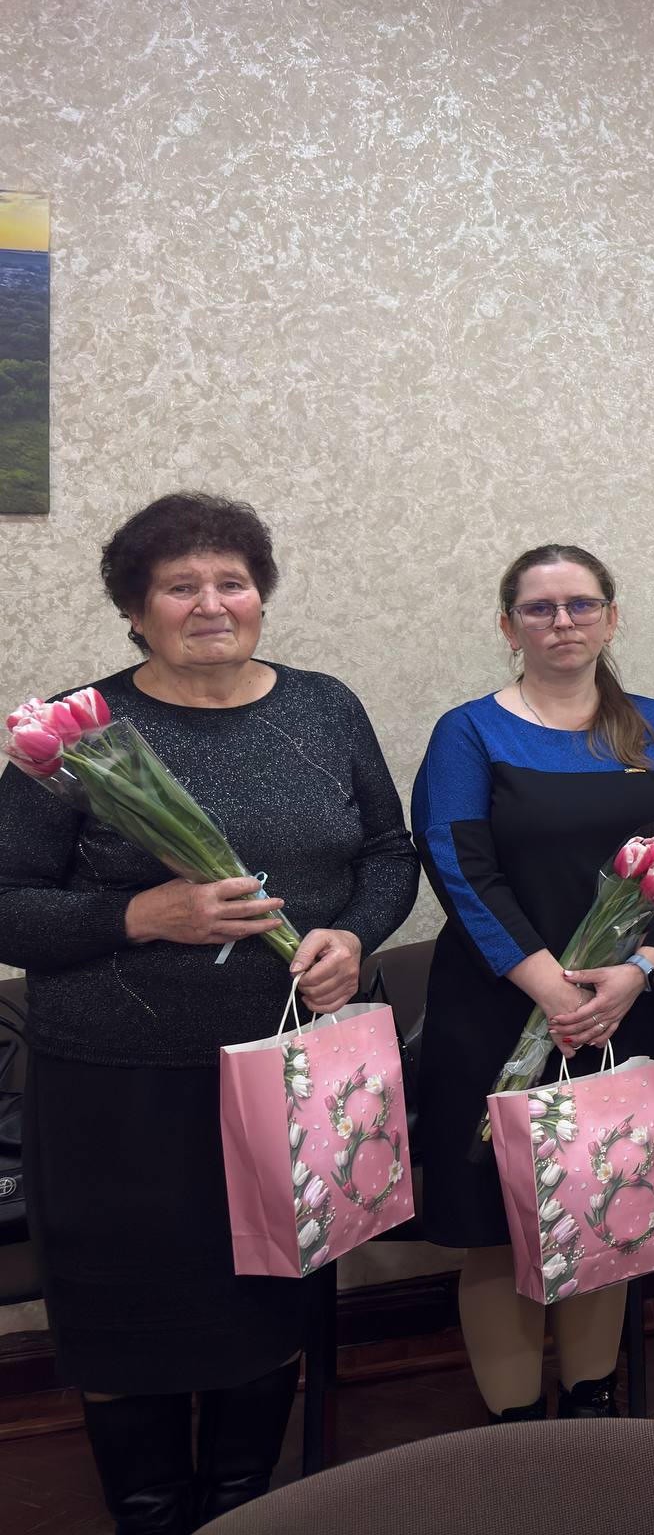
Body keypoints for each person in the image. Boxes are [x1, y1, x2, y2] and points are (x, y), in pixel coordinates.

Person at [0, 493, 415, 1533]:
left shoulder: (325, 709)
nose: (211, 604)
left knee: (268, 1306)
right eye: (179, 586)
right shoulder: (80, 734)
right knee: (126, 1317)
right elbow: (6, 903)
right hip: (116, 1091)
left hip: (287, 1073)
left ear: (261, 596)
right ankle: (150, 1515)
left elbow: (387, 852)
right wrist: (143, 913)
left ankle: (241, 1508)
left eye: (232, 582)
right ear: (135, 611)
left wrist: (353, 936)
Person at [409, 545, 654, 1424]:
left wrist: (640, 970)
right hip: (498, 1011)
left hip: (630, 1009)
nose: (562, 622)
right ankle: (514, 1433)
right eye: (539, 608)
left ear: (612, 618)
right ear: (509, 627)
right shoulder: (469, 732)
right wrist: (553, 990)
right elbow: (460, 867)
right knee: (499, 1227)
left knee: (609, 1206)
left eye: (581, 604)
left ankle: (589, 1407)